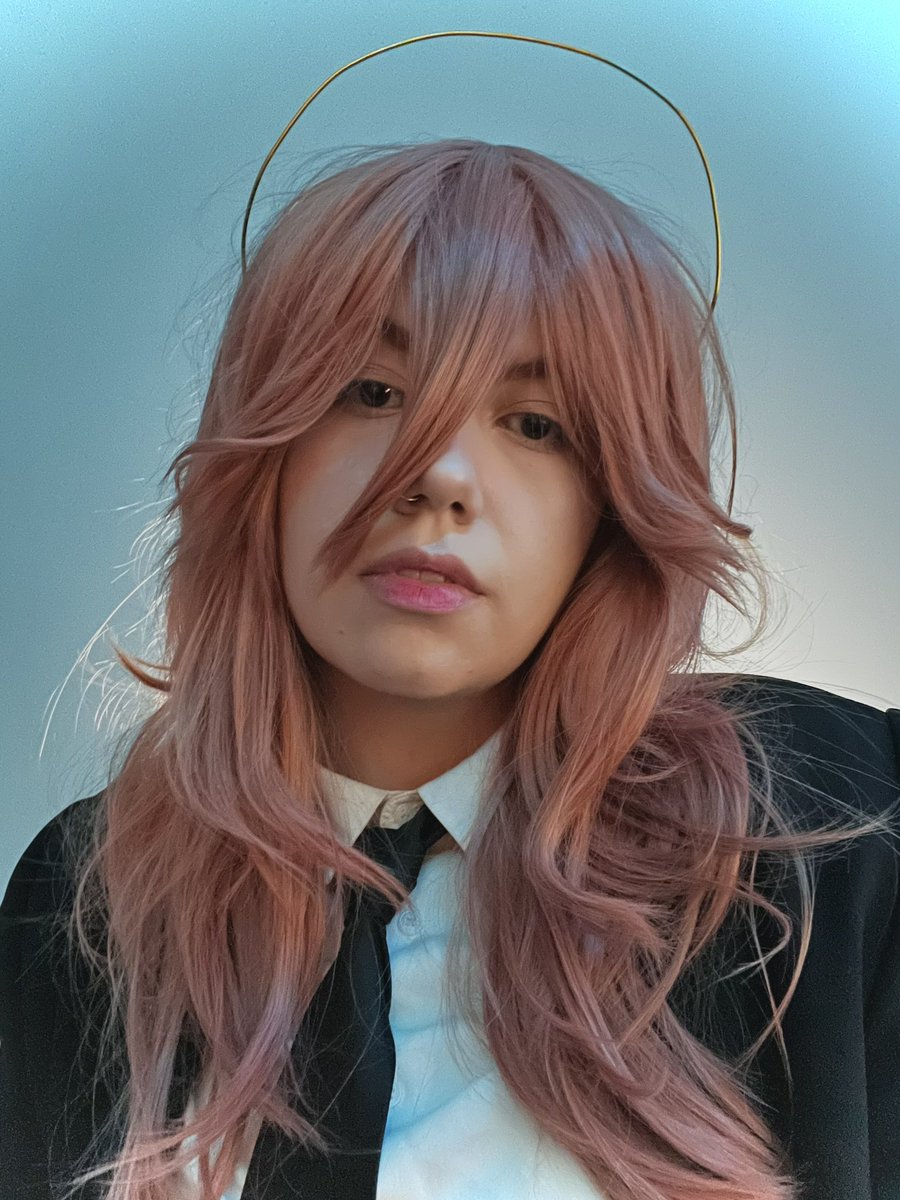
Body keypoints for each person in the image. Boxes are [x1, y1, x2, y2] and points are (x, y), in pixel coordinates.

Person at [2, 137, 898, 1200]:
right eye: (373, 390)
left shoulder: (827, 823)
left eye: (535, 423)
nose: (438, 475)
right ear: (262, 453)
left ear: (614, 504)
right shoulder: (88, 895)